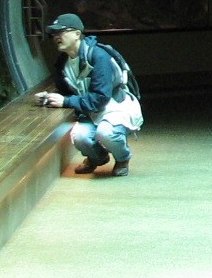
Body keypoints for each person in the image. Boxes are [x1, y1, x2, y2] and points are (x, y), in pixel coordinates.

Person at [32, 13, 141, 177]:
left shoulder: (98, 57)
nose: (56, 37)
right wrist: (48, 97)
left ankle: (123, 158)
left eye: (61, 32)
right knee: (79, 137)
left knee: (106, 133)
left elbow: (100, 98)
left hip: (115, 107)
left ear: (77, 34)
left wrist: (66, 101)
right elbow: (65, 92)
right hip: (91, 110)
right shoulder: (63, 62)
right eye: (54, 33)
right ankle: (98, 157)